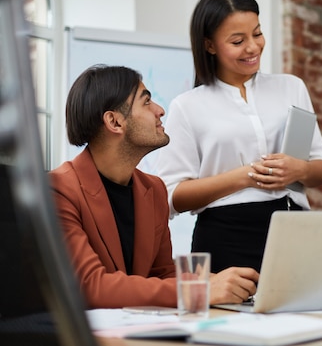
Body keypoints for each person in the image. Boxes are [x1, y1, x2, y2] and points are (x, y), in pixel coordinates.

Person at [156, 0, 322, 273]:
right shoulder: (187, 106)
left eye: (257, 33)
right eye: (238, 41)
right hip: (226, 237)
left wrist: (298, 171)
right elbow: (171, 197)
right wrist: (244, 177)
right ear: (210, 45)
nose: (253, 47)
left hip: (295, 230)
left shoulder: (291, 87)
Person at [49, 65, 258, 309]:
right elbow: (90, 286)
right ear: (114, 121)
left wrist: (218, 281)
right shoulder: (59, 190)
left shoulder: (154, 189)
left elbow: (161, 275)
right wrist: (200, 290)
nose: (160, 110)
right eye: (146, 102)